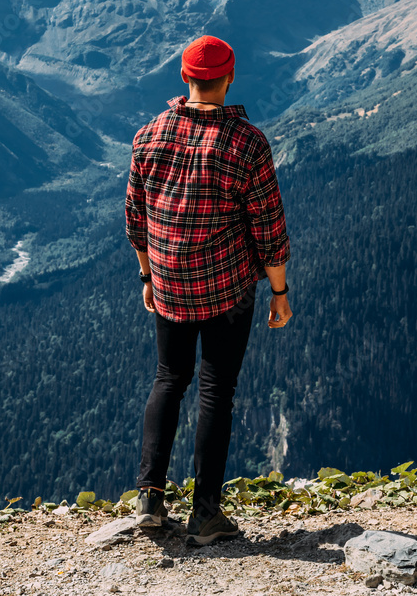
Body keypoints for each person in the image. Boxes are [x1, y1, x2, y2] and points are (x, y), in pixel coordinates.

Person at [125, 34, 292, 546]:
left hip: (170, 285)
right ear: (230, 76)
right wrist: (280, 293)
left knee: (168, 378)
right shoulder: (247, 142)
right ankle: (205, 515)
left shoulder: (149, 135)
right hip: (227, 289)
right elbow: (269, 228)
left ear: (184, 76)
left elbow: (136, 219)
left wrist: (149, 276)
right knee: (217, 389)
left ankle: (150, 499)